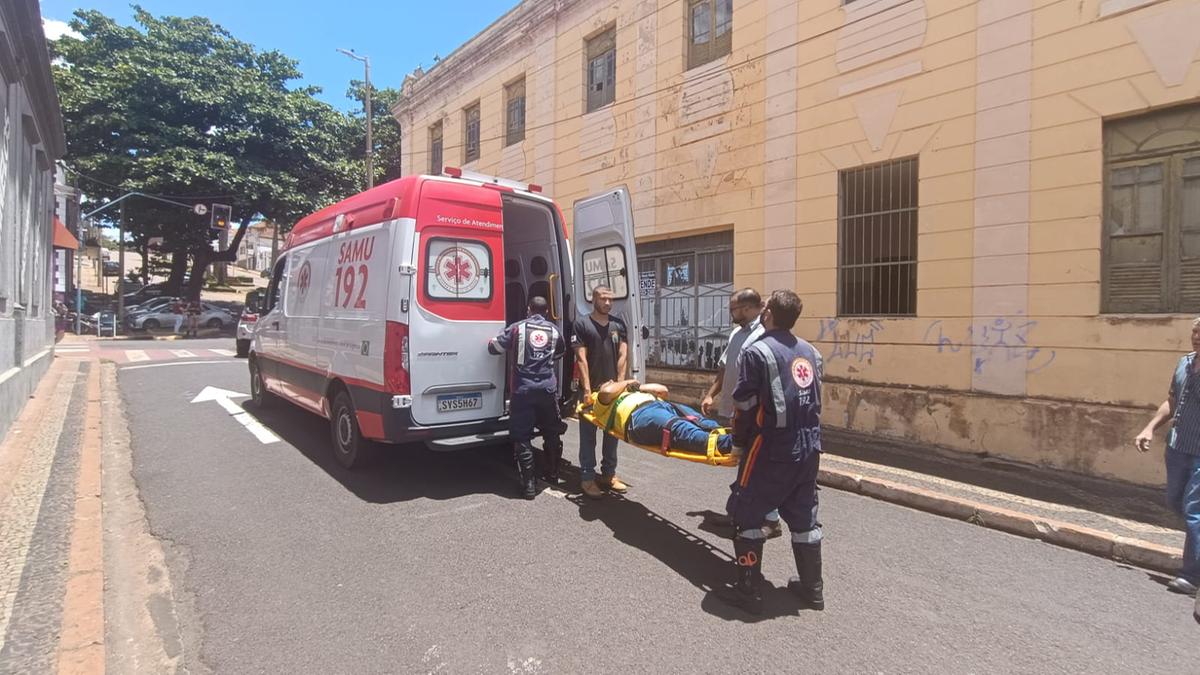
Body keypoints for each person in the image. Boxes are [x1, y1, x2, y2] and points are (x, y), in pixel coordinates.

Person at [717, 290, 825, 615]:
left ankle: (748, 591)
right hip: (809, 448)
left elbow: (745, 406)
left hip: (770, 448)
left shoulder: (757, 353)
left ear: (769, 315)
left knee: (747, 512)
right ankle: (813, 590)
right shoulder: (812, 353)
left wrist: (738, 443)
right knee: (805, 515)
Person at [701, 288, 780, 538]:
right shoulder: (737, 333)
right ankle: (737, 512)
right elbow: (725, 369)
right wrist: (711, 394)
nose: (730, 312)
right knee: (745, 463)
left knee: (760, 465)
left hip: (756, 413)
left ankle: (772, 519)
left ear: (745, 308)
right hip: (737, 412)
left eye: (733, 308)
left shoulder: (765, 333)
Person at [1134, 317, 1200, 596]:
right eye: (1195, 331)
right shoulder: (1184, 363)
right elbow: (1173, 400)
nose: (1197, 336)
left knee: (1193, 511)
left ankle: (1191, 576)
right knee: (1175, 501)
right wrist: (1149, 428)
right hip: (1177, 447)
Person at [488, 296, 567, 499]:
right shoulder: (554, 330)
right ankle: (553, 474)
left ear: (528, 310)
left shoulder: (517, 328)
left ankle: (529, 486)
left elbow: (494, 348)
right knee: (551, 432)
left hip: (522, 390)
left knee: (522, 435)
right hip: (547, 390)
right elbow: (560, 353)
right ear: (547, 312)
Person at [572, 285, 629, 499]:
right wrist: (586, 389)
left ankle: (608, 475)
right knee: (588, 437)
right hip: (591, 391)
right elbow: (581, 359)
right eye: (603, 299)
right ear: (593, 299)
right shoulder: (582, 324)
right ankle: (587, 478)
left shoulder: (618, 324)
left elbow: (623, 355)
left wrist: (621, 385)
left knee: (612, 434)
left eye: (610, 299)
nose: (607, 303)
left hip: (613, 391)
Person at [585, 378, 733, 455]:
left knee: (697, 419)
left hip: (659, 405)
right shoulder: (600, 400)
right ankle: (727, 444)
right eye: (609, 382)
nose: (613, 381)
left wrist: (636, 387)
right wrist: (627, 382)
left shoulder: (628, 391)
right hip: (638, 416)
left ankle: (730, 434)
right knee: (678, 427)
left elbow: (662, 390)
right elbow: (607, 392)